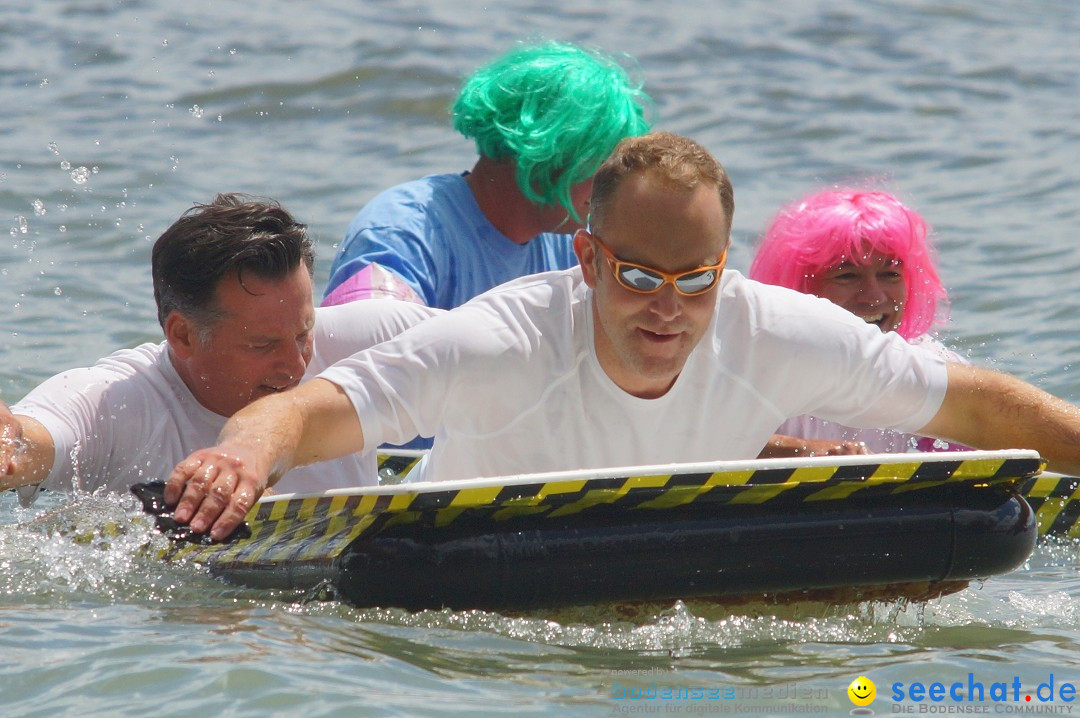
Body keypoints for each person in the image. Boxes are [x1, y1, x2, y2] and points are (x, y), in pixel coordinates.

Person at [163, 132, 1080, 542]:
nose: (667, 309)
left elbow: (973, 400)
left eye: (697, 281)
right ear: (591, 258)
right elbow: (315, 408)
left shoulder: (778, 330)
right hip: (467, 571)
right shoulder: (506, 338)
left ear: (727, 266)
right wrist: (242, 456)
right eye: (639, 276)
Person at [0, 194, 438, 502]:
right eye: (263, 344)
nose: (296, 364)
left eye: (305, 332)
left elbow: (498, 341)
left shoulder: (368, 336)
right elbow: (34, 439)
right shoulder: (115, 403)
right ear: (183, 335)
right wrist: (11, 444)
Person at [321, 39, 652, 310]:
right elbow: (359, 367)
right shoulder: (401, 234)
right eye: (602, 165)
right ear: (546, 155)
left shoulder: (574, 249)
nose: (614, 187)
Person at [750, 187, 970, 455]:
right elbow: (703, 441)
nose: (874, 297)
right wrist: (809, 451)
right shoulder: (758, 367)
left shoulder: (928, 365)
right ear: (799, 287)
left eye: (890, 274)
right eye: (847, 276)